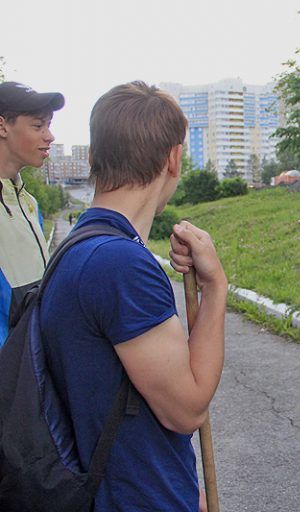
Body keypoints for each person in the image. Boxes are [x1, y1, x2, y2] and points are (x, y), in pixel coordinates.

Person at [38, 81, 227, 511]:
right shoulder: (119, 265)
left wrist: (177, 481)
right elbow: (187, 410)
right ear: (173, 158)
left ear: (92, 157)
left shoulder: (81, 246)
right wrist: (216, 288)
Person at [0, 81, 64, 346]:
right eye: (38, 126)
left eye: (48, 125)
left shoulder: (29, 203)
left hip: (30, 363)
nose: (49, 136)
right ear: (3, 126)